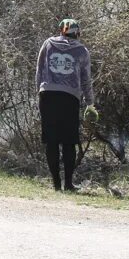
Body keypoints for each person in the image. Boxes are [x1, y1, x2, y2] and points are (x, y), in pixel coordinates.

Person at [35, 18, 94, 192]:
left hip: (48, 96)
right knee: (69, 142)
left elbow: (39, 70)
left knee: (51, 142)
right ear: (77, 32)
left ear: (61, 30)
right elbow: (86, 79)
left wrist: (39, 92)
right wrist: (90, 102)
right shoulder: (82, 50)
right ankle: (68, 183)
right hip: (70, 98)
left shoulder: (48, 44)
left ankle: (56, 185)